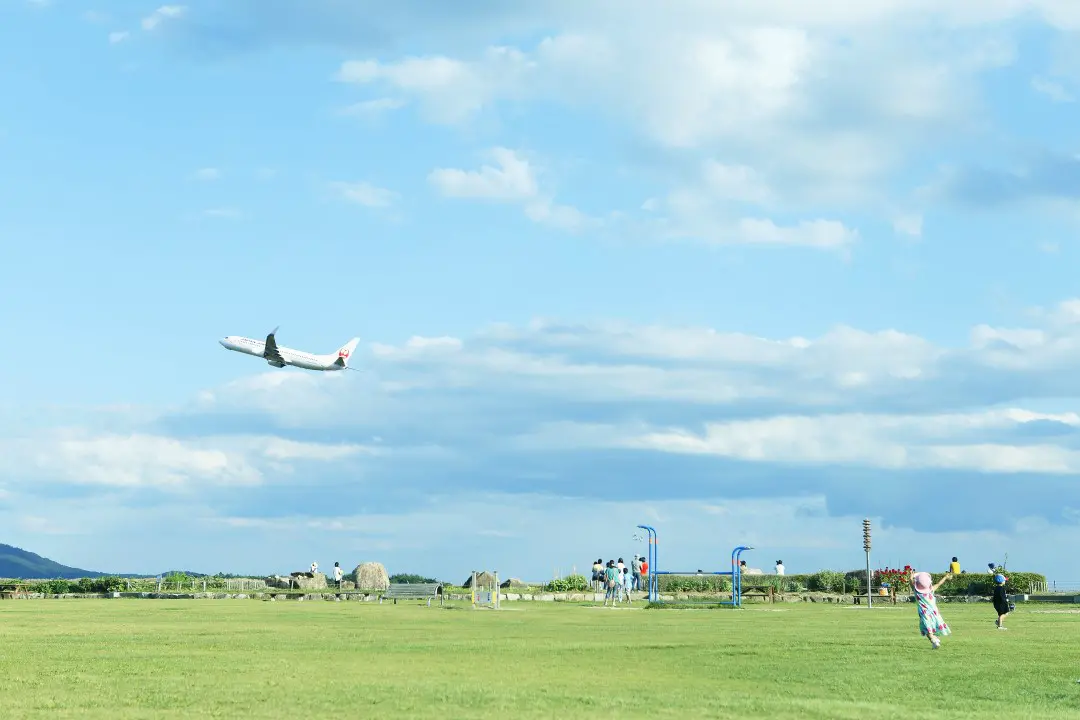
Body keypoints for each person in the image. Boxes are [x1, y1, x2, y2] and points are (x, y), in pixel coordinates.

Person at [910, 570, 952, 649]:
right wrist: (945, 577)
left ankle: (934, 641)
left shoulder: (917, 592)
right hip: (934, 613)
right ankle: (934, 640)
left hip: (924, 614)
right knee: (931, 628)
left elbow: (911, 582)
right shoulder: (931, 590)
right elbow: (939, 584)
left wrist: (911, 576)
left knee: (927, 630)